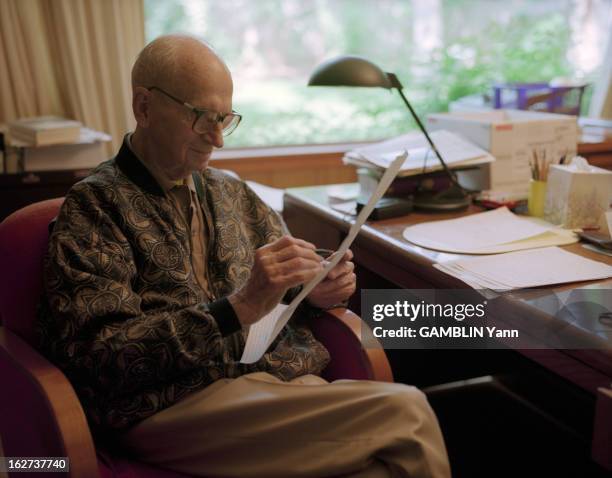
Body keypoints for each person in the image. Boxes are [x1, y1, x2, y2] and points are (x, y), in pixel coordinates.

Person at [37, 34, 450, 478]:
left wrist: (319, 291)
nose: (217, 139)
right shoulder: (95, 208)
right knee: (407, 413)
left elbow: (290, 288)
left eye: (225, 119)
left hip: (267, 385)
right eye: (201, 119)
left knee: (377, 470)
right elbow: (103, 356)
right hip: (171, 404)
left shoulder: (229, 190)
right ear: (144, 107)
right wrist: (238, 308)